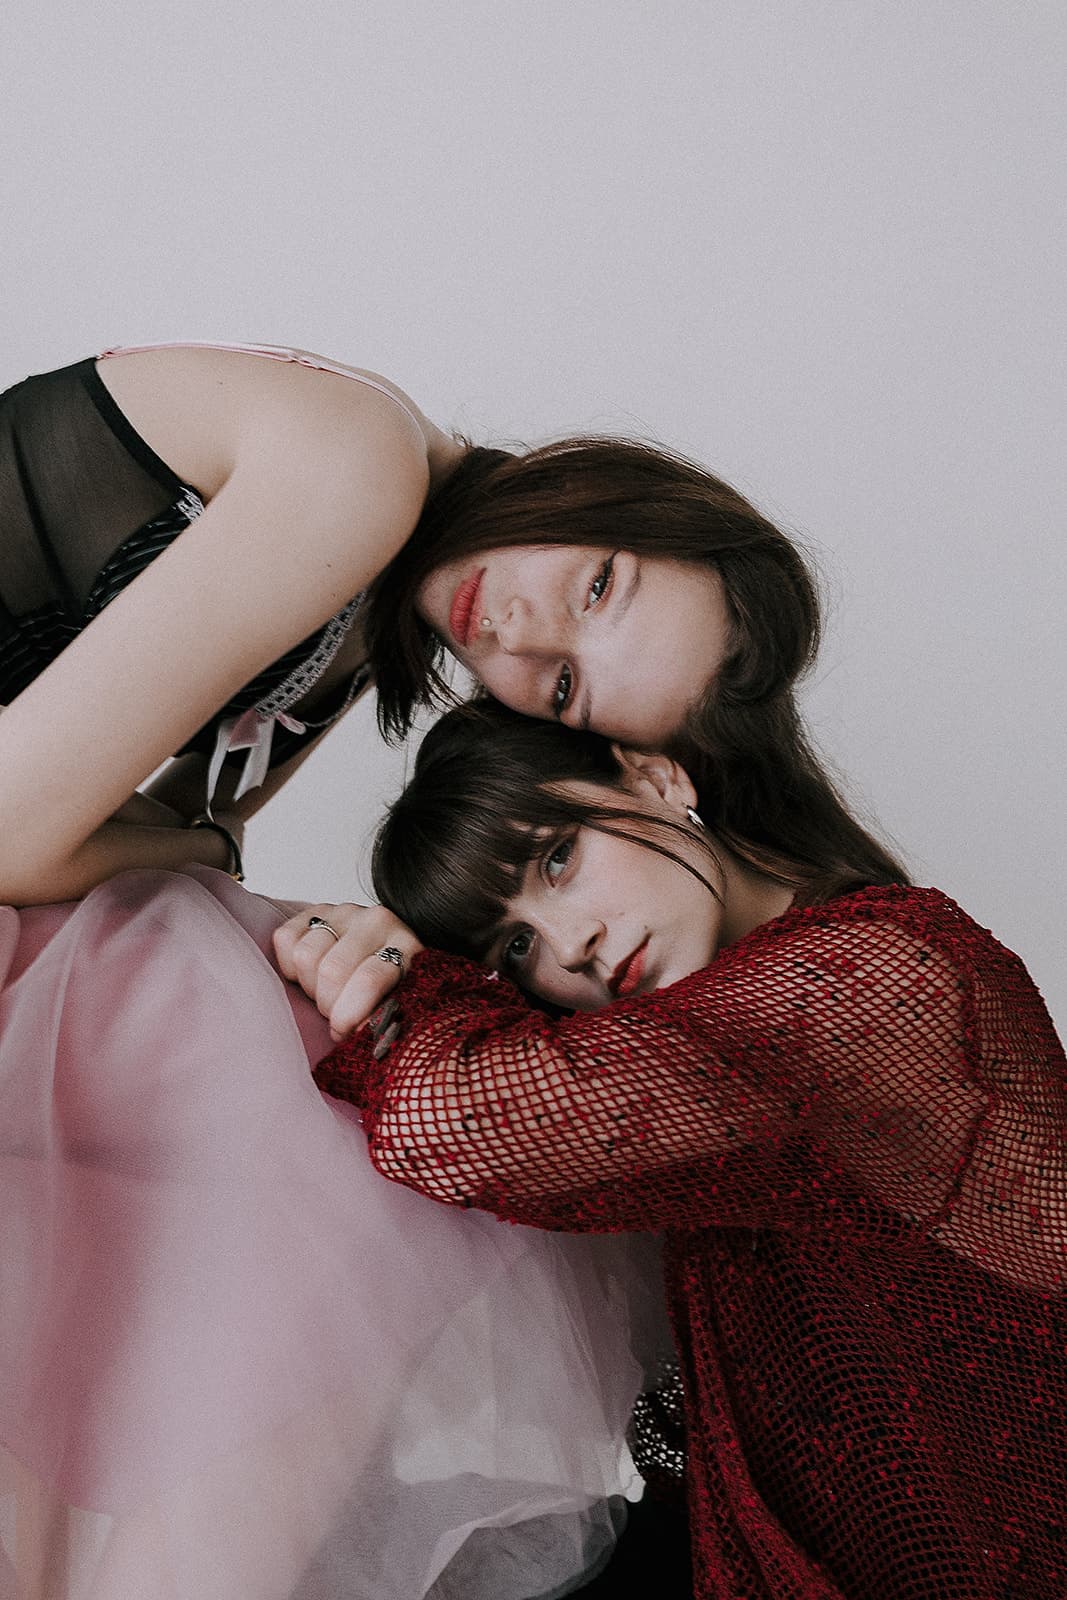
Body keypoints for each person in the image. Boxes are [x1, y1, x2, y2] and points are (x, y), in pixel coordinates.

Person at [312, 701, 1067, 1600]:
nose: (570, 945)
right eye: (514, 947)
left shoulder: (870, 976)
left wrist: (395, 972)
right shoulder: (703, 1050)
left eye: (559, 857)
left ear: (656, 778)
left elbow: (446, 1127)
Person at [0, 863, 666, 1600]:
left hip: (259, 1096)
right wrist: (196, 839)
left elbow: (19, 834)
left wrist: (195, 839)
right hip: (116, 1070)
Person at [1, 337, 820, 920]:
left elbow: (183, 817)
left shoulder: (374, 608)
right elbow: (37, 842)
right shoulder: (361, 467)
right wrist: (213, 858)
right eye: (599, 586)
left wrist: (194, 844)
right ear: (608, 490)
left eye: (564, 686)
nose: (519, 637)